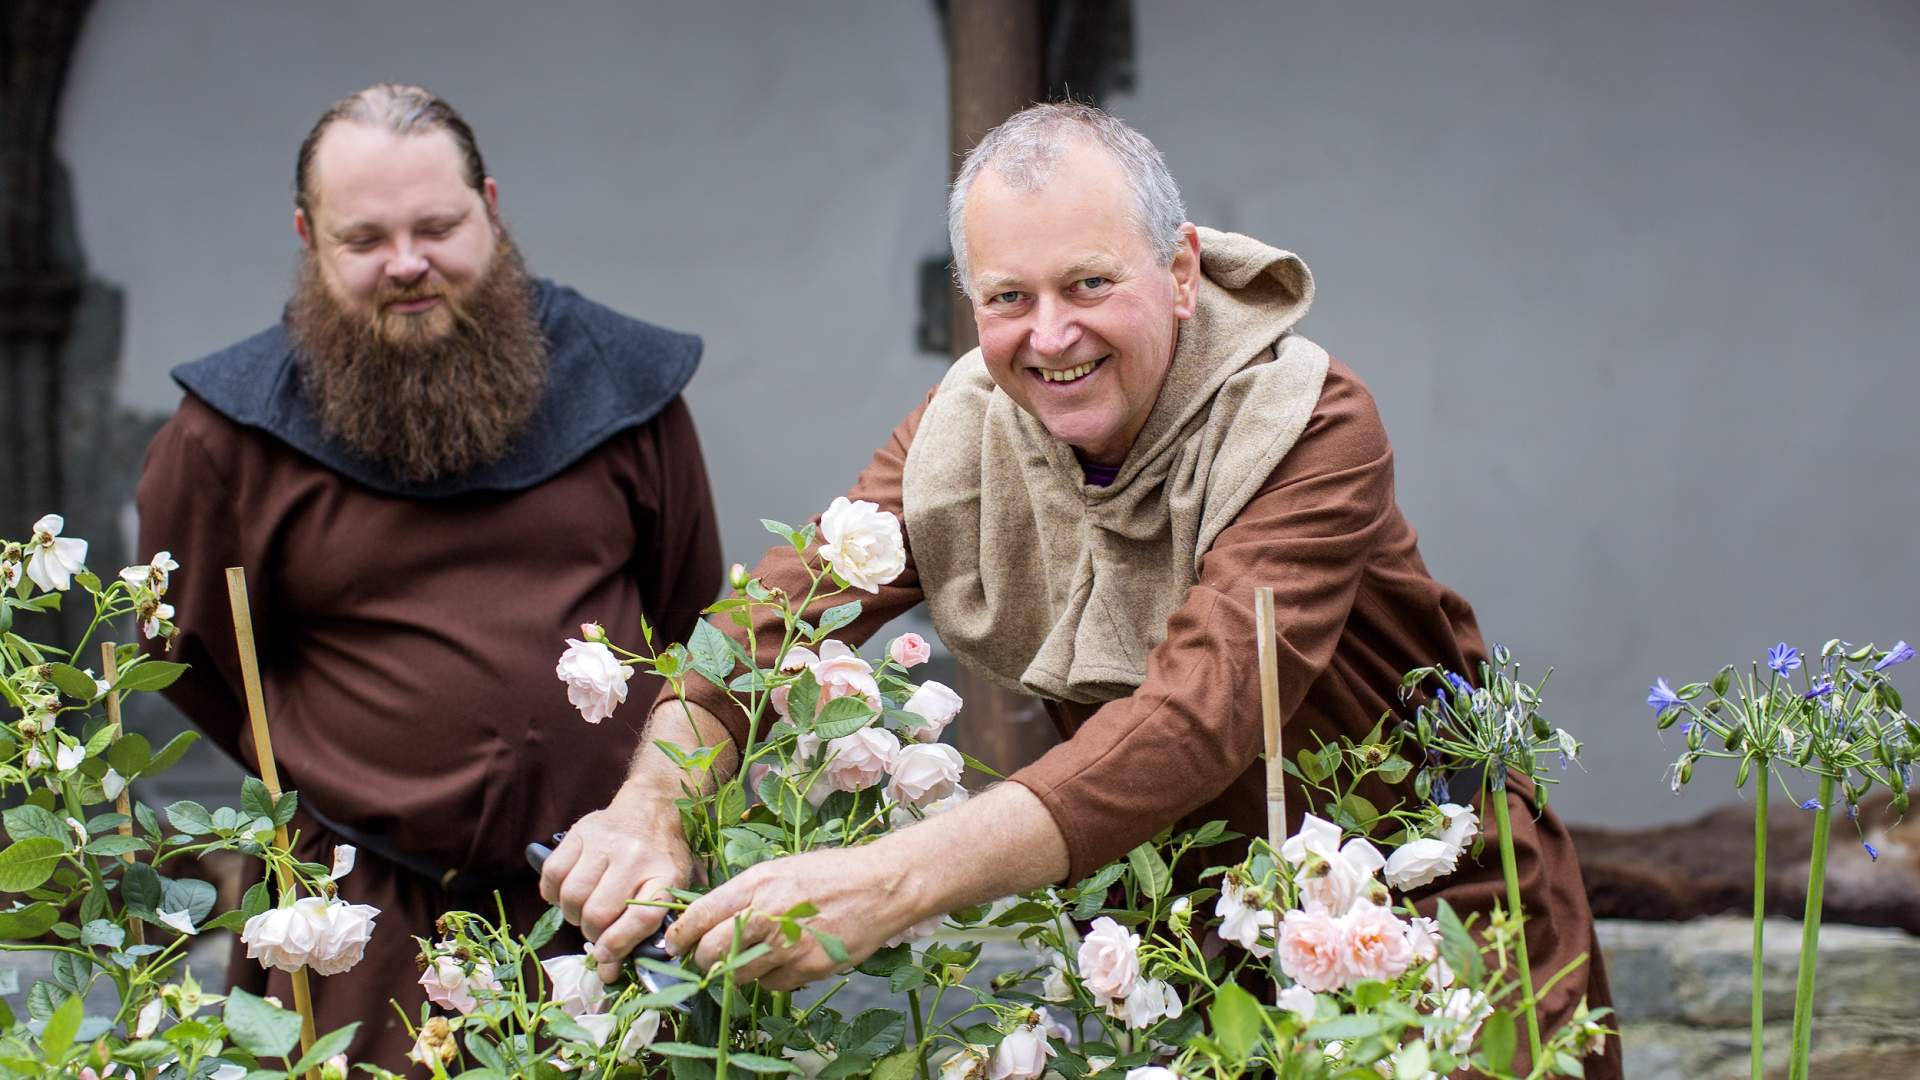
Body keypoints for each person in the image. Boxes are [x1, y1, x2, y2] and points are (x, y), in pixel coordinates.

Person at [543, 102, 1618, 1072]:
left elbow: (1197, 719)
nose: (1050, 336)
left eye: (1090, 283)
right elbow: (779, 612)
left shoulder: (1306, 422)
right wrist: (650, 809)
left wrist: (884, 881)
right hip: (1195, 949)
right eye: (1009, 297)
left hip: (1435, 917)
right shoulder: (963, 437)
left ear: (1184, 270)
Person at [137, 83, 722, 1067]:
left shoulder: (625, 389)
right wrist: (358, 770)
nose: (408, 264)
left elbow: (694, 630)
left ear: (490, 206)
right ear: (308, 235)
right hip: (360, 931)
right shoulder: (225, 439)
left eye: (438, 227)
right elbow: (187, 657)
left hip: (606, 910)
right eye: (365, 239)